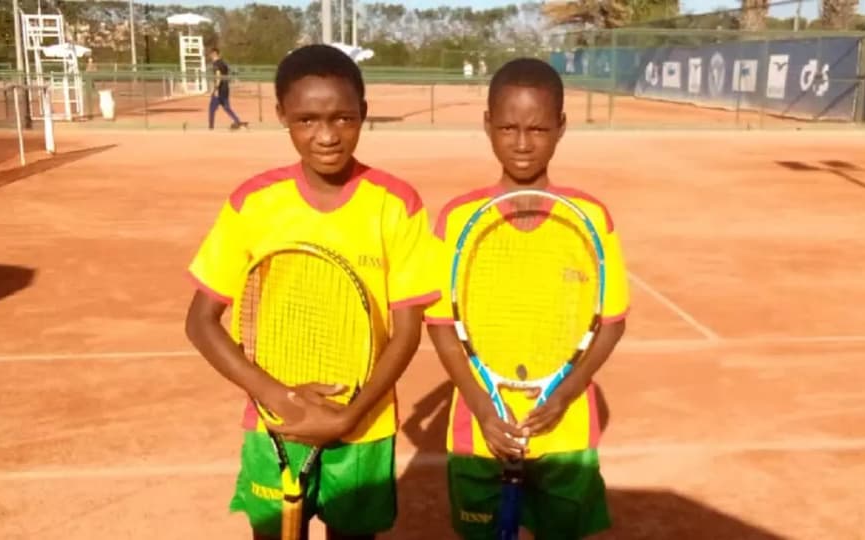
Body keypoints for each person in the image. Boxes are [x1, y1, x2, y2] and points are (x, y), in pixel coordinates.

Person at [184, 44, 438, 540]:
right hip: (275, 423)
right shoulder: (253, 203)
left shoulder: (396, 204)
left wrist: (350, 415)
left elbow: (408, 331)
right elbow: (200, 322)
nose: (326, 135)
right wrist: (279, 397)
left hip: (364, 426)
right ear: (282, 115)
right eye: (306, 120)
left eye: (343, 118)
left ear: (364, 113)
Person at [424, 57, 630, 540]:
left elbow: (612, 322)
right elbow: (440, 324)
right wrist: (481, 406)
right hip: (479, 429)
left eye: (537, 128)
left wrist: (564, 394)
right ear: (487, 126)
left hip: (566, 431)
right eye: (508, 127)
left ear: (561, 128)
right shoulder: (457, 218)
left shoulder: (591, 218)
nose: (521, 143)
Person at [208, 48, 247, 130]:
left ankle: (211, 127)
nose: (210, 56)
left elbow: (218, 76)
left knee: (212, 108)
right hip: (226, 88)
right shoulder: (224, 63)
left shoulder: (216, 64)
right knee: (227, 107)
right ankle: (237, 121)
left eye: (211, 54)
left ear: (214, 54)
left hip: (220, 89)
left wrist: (215, 89)